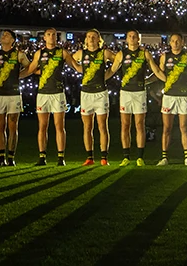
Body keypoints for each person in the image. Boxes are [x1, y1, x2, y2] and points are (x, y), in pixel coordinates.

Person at [150, 31, 187, 167]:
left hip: (183, 96)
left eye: (178, 41)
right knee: (167, 128)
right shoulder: (165, 57)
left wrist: (185, 80)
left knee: (184, 127)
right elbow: (159, 72)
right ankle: (164, 157)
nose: (175, 43)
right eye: (173, 41)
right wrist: (169, 81)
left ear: (182, 42)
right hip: (169, 96)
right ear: (169, 42)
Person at [28, 27, 73, 166]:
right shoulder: (39, 53)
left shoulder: (62, 52)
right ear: (44, 38)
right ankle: (42, 157)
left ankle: (61, 157)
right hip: (43, 93)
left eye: (54, 34)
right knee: (42, 126)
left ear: (57, 37)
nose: (52, 36)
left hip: (58, 93)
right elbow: (30, 69)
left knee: (59, 126)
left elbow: (75, 66)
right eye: (49, 34)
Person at [111, 29, 154, 167]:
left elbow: (156, 69)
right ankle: (126, 157)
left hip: (140, 92)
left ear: (138, 39)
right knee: (125, 125)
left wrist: (150, 80)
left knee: (140, 125)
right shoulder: (121, 54)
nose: (132, 38)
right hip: (125, 92)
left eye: (134, 36)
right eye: (130, 36)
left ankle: (140, 157)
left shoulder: (144, 53)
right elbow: (112, 70)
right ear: (126, 39)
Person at [72, 29, 116, 166]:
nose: (91, 39)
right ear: (85, 39)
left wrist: (108, 74)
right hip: (85, 93)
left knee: (102, 126)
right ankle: (89, 157)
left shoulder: (104, 53)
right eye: (89, 36)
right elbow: (70, 61)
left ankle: (104, 157)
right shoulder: (80, 53)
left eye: (94, 37)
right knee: (87, 127)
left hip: (100, 92)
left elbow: (117, 62)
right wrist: (80, 70)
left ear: (99, 39)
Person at [0, 30, 31, 167]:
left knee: (13, 126)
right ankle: (1, 157)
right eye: (3, 35)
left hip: (14, 94)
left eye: (7, 35)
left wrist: (18, 76)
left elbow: (29, 68)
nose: (3, 36)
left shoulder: (19, 54)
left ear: (13, 40)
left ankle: (11, 157)